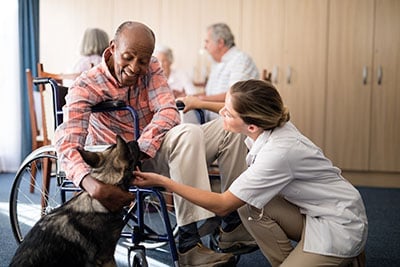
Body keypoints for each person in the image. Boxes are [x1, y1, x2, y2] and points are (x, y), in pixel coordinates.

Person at [54, 21, 255, 266]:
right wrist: (90, 184)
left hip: (151, 150)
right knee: (189, 133)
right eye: (128, 57)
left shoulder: (152, 67)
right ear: (112, 49)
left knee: (232, 128)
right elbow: (68, 143)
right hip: (123, 166)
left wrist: (141, 148)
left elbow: (168, 111)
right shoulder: (86, 85)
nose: (135, 67)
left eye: (143, 60)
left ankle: (232, 225)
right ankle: (189, 245)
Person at [134, 79, 369, 267]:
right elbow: (238, 112)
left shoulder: (277, 153)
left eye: (228, 113)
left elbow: (223, 204)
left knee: (239, 202)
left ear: (251, 127)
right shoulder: (272, 120)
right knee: (249, 205)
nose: (222, 112)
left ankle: (340, 255)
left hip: (339, 224)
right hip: (315, 212)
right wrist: (199, 103)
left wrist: (164, 181)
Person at [198, 23, 259, 121]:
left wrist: (199, 100)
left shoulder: (241, 59)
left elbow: (235, 96)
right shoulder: (217, 63)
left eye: (207, 41)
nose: (205, 46)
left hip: (231, 123)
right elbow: (210, 94)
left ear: (220, 43)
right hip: (216, 120)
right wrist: (190, 97)